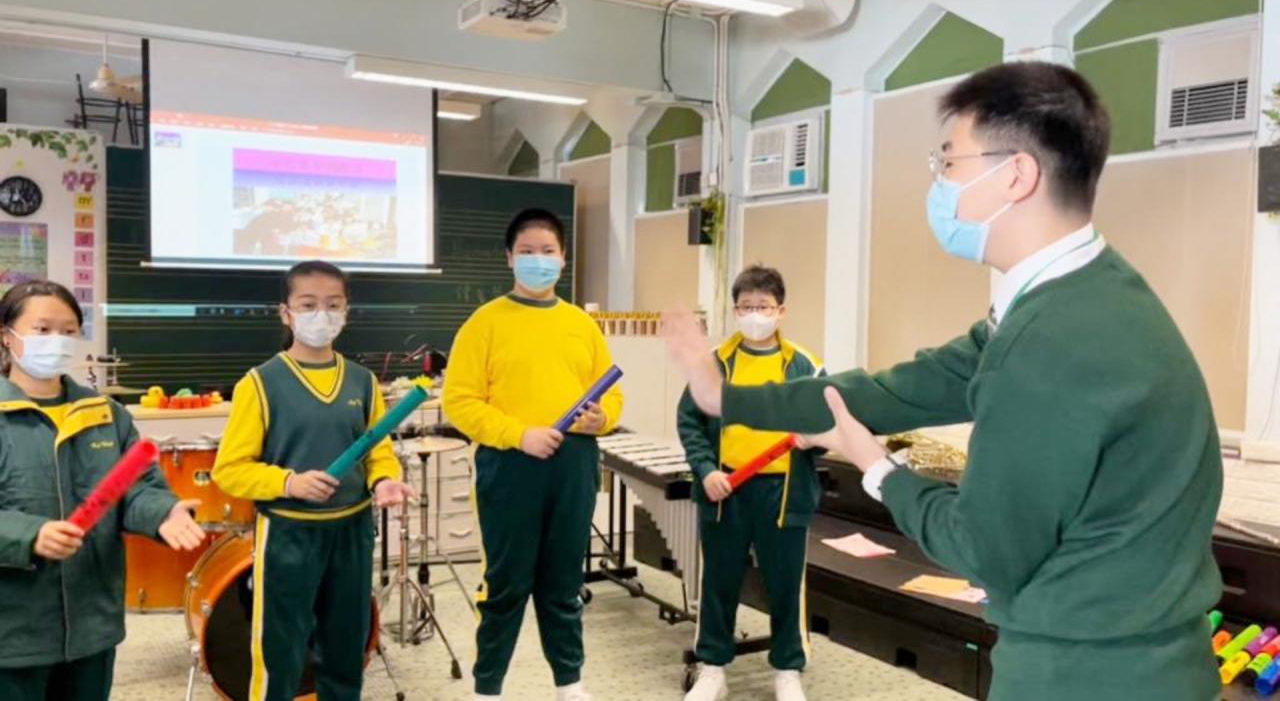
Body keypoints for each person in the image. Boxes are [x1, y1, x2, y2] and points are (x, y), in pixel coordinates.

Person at [665, 61, 1223, 701]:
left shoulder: (1051, 340)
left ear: (1016, 175)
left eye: (950, 162)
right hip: (1144, 659)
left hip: (1088, 674)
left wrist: (879, 469)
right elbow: (898, 389)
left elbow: (983, 549)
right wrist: (725, 396)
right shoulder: (1083, 292)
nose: (939, 182)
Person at [443, 208, 623, 701]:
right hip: (510, 467)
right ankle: (488, 689)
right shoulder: (484, 323)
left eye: (547, 251)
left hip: (574, 466)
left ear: (563, 259)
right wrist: (518, 435)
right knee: (506, 585)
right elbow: (460, 402)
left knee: (563, 583)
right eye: (527, 251)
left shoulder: (581, 324)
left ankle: (570, 684)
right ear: (509, 258)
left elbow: (611, 395)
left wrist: (601, 418)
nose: (537, 260)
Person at [212, 260, 414, 701]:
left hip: (352, 531)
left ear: (346, 311)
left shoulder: (362, 381)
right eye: (308, 305)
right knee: (281, 650)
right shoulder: (260, 384)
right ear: (285, 313)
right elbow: (231, 469)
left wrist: (384, 480)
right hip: (289, 534)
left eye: (333, 304)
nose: (321, 314)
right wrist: (289, 483)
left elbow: (378, 450)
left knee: (346, 646)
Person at [0, 280, 205, 700]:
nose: (57, 340)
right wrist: (29, 534)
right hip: (13, 633)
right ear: (7, 336)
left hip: (92, 623)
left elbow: (136, 487)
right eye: (42, 329)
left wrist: (163, 512)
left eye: (68, 330)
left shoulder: (105, 414)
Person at [677, 265, 824, 701]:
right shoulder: (715, 362)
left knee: (785, 583)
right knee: (718, 582)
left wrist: (815, 438)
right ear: (735, 310)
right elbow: (689, 421)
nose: (755, 314)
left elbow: (828, 425)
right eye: (746, 307)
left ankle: (787, 670)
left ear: (781, 311)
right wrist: (706, 470)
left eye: (763, 306)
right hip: (727, 490)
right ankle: (713, 668)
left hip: (783, 494)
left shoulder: (806, 366)